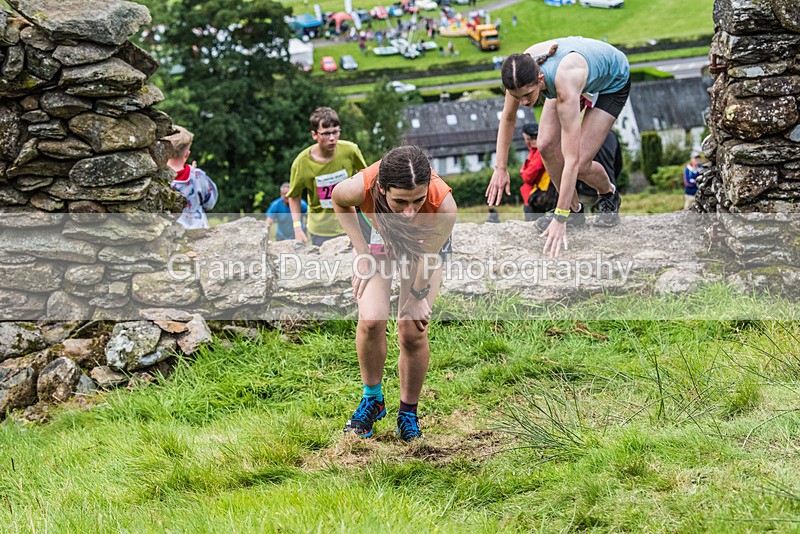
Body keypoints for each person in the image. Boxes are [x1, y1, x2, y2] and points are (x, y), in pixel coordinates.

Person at [331, 145, 457, 442]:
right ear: (382, 189)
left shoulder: (444, 205)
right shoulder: (361, 187)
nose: (410, 211)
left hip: (425, 249)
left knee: (412, 330)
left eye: (418, 200)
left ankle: (408, 414)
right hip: (379, 242)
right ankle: (373, 400)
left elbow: (428, 257)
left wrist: (416, 296)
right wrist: (362, 252)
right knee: (372, 320)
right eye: (400, 201)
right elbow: (338, 200)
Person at [486, 36, 630, 258]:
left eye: (527, 95)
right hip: (574, 79)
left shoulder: (564, 81)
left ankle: (608, 194)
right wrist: (501, 168)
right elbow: (507, 119)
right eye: (517, 96)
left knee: (580, 162)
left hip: (612, 82)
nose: (523, 102)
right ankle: (574, 211)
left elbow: (570, 159)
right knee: (545, 145)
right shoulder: (518, 72)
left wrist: (558, 218)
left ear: (540, 79)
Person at [287, 107, 367, 246]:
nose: (332, 138)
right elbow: (294, 196)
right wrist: (297, 227)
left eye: (335, 132)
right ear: (314, 134)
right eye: (325, 134)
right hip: (321, 230)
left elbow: (366, 179)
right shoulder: (301, 163)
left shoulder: (350, 150)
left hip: (351, 223)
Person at [163, 126, 218, 229]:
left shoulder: (157, 178)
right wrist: (194, 174)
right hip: (198, 231)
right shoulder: (198, 176)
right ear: (187, 154)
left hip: (170, 233)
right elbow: (210, 203)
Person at [519, 123, 557, 221]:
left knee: (533, 224)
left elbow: (528, 176)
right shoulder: (536, 150)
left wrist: (523, 171)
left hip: (536, 196)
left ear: (527, 137)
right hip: (536, 195)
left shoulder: (540, 151)